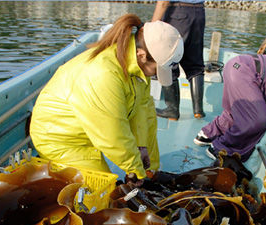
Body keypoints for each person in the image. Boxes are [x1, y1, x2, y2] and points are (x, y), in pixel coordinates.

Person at [29, 14, 184, 183]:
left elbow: (144, 109)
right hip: (60, 139)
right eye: (157, 70)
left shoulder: (138, 68)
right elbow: (112, 133)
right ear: (141, 55)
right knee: (103, 189)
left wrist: (142, 148)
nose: (155, 75)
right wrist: (135, 170)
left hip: (91, 131)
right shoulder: (103, 74)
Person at [152, 0, 206, 120]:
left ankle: (172, 109)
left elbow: (163, 2)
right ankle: (198, 110)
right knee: (195, 64)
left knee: (169, 62)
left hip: (177, 14)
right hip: (198, 13)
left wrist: (153, 25)